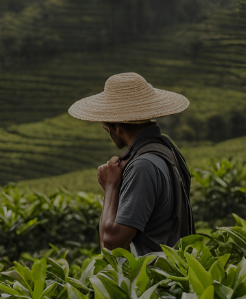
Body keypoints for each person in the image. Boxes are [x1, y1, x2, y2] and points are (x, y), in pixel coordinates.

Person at [68, 72, 195, 256]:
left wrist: (110, 186)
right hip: (170, 272)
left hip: (152, 280)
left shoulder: (142, 166)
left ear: (116, 128)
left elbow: (111, 247)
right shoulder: (167, 150)